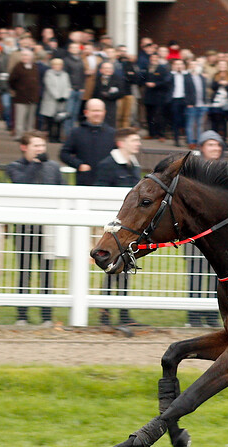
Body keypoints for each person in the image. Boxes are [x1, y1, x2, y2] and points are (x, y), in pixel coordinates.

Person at [6, 132, 64, 326]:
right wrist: (36, 164)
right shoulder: (14, 167)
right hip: (24, 227)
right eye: (36, 146)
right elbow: (21, 184)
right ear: (24, 147)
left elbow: (64, 191)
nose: (40, 149)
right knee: (24, 271)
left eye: (42, 146)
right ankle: (22, 315)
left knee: (46, 272)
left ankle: (46, 316)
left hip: (47, 228)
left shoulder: (53, 167)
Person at [93, 128, 143, 326]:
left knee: (125, 267)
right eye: (134, 140)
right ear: (122, 143)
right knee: (110, 267)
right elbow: (99, 190)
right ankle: (105, 313)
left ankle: (122, 312)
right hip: (112, 228)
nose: (138, 144)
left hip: (127, 229)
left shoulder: (134, 165)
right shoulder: (108, 164)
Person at [185, 130, 224, 327]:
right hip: (194, 231)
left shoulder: (225, 170)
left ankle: (210, 315)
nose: (215, 148)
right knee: (195, 272)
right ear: (201, 148)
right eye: (211, 145)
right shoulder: (193, 171)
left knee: (214, 274)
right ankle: (193, 316)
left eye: (217, 145)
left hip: (217, 233)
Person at [60, 98, 115, 186]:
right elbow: (64, 154)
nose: (97, 114)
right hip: (84, 182)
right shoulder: (76, 132)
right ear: (86, 112)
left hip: (107, 183)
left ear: (104, 112)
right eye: (94, 111)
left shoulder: (112, 133)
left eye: (99, 111)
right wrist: (79, 165)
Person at [7, 49, 41, 139]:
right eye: (23, 55)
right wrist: (17, 89)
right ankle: (19, 135)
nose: (25, 57)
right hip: (21, 97)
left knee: (30, 118)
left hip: (33, 97)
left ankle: (29, 136)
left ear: (31, 57)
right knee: (20, 118)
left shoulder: (35, 67)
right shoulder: (18, 67)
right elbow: (11, 80)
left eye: (27, 55)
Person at [39, 57, 72, 143]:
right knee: (50, 120)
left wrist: (65, 96)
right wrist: (57, 96)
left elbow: (67, 86)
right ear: (52, 65)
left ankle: (58, 137)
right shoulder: (49, 74)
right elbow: (49, 86)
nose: (58, 66)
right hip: (51, 100)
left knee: (59, 120)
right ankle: (51, 136)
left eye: (59, 65)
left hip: (62, 101)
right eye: (56, 65)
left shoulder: (65, 74)